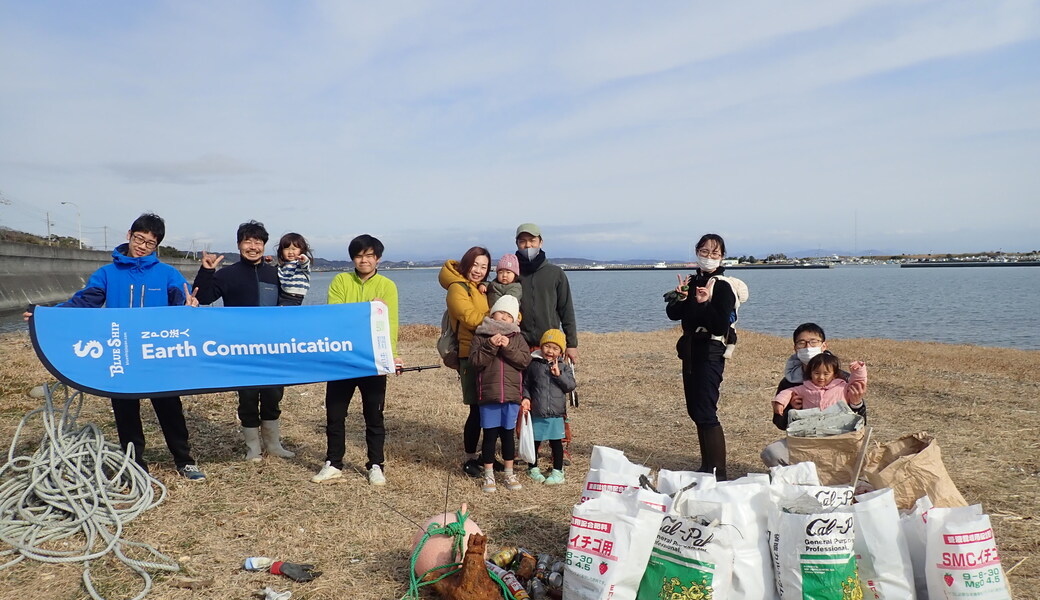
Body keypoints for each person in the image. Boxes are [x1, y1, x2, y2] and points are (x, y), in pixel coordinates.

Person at [24, 213, 205, 480]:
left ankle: (184, 459)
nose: (142, 246)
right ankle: (134, 464)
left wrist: (190, 305)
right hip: (121, 353)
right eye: (139, 238)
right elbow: (84, 302)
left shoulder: (167, 274)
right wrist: (47, 314)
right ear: (129, 235)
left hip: (157, 354)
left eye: (149, 243)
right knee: (125, 411)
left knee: (169, 408)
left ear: (157, 246)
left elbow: (182, 300)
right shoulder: (107, 273)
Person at [193, 220, 294, 462]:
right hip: (241, 347)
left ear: (264, 245)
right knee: (248, 396)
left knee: (273, 395)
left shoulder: (275, 273)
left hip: (273, 347)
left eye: (258, 242)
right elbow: (204, 297)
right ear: (239, 244)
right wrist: (207, 271)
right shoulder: (228, 274)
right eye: (248, 241)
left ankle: (273, 444)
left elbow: (293, 301)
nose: (253, 246)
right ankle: (253, 448)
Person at [311, 234, 402, 486]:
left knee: (374, 415)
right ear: (353, 258)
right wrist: (368, 309)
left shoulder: (387, 285)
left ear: (378, 259)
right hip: (342, 358)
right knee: (335, 412)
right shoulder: (341, 280)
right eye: (359, 255)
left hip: (373, 359)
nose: (364, 260)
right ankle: (333, 462)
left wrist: (390, 356)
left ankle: (375, 464)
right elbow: (335, 315)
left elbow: (390, 322)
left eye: (369, 255)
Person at [665, 233, 738, 481]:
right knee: (695, 410)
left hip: (711, 351)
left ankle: (718, 472)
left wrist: (706, 304)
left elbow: (719, 326)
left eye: (714, 253)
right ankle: (706, 467)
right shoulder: (691, 281)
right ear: (696, 252)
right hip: (691, 350)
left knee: (707, 410)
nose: (708, 257)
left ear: (722, 257)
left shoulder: (723, 287)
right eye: (704, 252)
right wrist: (682, 297)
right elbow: (673, 314)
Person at [439, 247, 495, 477]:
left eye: (484, 267)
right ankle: (470, 457)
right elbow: (471, 319)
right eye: (475, 265)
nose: (479, 271)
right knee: (476, 408)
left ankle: (487, 456)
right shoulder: (456, 288)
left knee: (489, 406)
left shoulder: (479, 289)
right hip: (469, 354)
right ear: (466, 264)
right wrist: (503, 320)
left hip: (488, 351)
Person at [469, 295, 532, 492]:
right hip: (489, 395)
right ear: (492, 313)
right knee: (489, 436)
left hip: (512, 396)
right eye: (500, 312)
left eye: (508, 315)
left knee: (507, 435)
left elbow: (524, 361)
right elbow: (475, 362)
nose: (503, 318)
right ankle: (488, 475)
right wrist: (490, 346)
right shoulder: (481, 335)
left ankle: (508, 472)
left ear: (514, 319)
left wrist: (508, 346)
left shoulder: (518, 338)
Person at [773, 323, 868, 424]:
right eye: (801, 343)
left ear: (824, 346)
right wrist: (793, 409)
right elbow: (778, 422)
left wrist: (857, 403)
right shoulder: (789, 382)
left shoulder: (843, 378)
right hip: (806, 434)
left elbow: (862, 422)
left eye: (814, 342)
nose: (808, 347)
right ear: (795, 348)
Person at [514, 224, 577, 361]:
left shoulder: (555, 273)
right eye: (522, 241)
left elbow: (566, 310)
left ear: (540, 242)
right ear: (517, 243)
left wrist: (572, 344)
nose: (528, 245)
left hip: (549, 345)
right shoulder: (511, 274)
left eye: (532, 240)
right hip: (519, 345)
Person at [521, 328, 575, 485]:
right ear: (541, 346)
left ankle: (558, 471)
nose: (550, 351)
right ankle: (533, 467)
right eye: (547, 346)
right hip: (537, 410)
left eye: (555, 348)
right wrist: (526, 398)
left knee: (556, 443)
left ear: (560, 351)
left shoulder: (564, 367)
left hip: (556, 412)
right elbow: (526, 384)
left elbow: (570, 386)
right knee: (535, 441)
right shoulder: (533, 365)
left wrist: (559, 375)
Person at [276, 232, 312, 306]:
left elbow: (305, 263)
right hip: (283, 293)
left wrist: (303, 259)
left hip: (295, 297)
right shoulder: (282, 265)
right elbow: (275, 272)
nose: (290, 252)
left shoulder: (299, 264)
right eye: (286, 249)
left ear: (301, 250)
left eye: (294, 249)